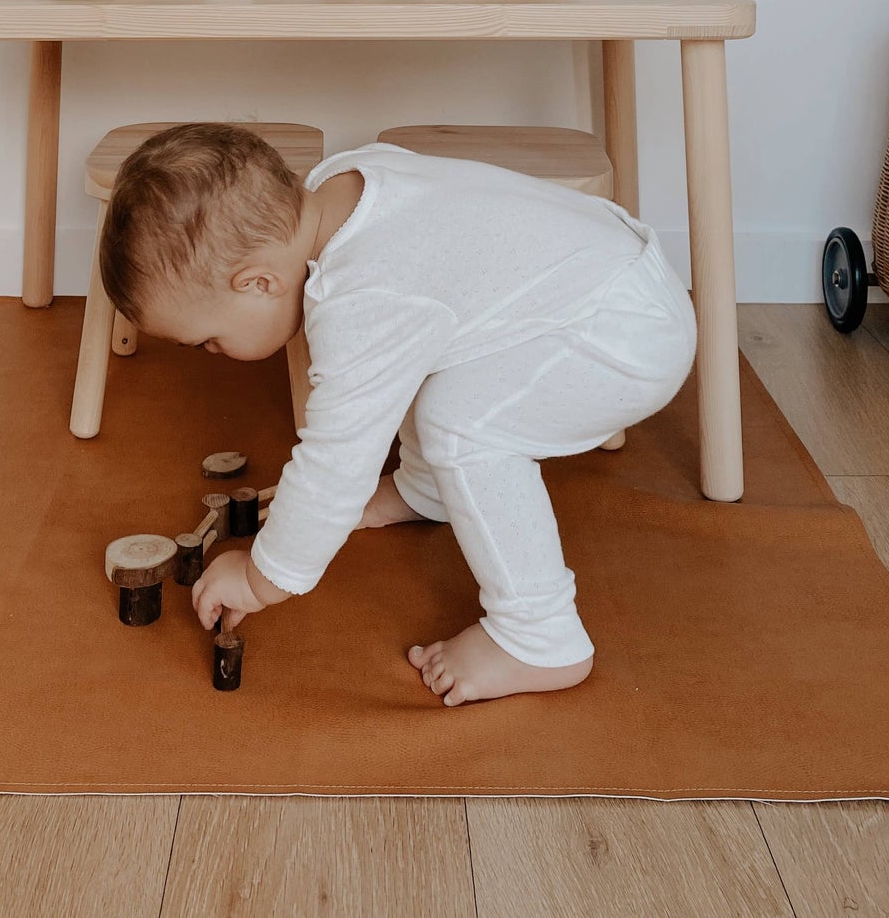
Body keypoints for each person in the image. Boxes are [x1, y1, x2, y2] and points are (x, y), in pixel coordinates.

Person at [99, 123, 697, 707]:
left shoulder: (361, 300)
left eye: (209, 341)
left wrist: (262, 578)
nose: (214, 356)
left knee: (464, 425)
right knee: (425, 364)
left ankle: (539, 635)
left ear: (259, 282)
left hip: (621, 337)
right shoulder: (344, 185)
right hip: (611, 277)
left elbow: (338, 461)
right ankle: (425, 491)